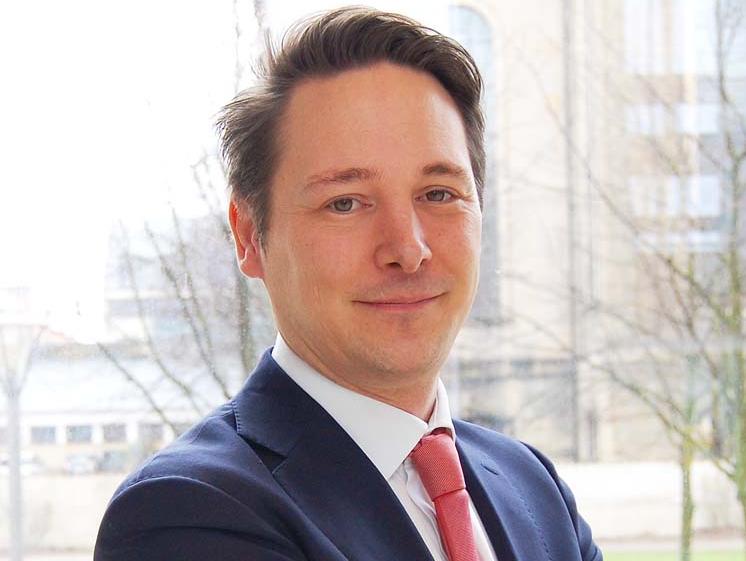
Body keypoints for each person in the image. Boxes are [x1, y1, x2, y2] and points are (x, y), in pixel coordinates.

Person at [94, 7, 602, 561]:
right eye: (345, 203)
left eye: (438, 194)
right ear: (249, 236)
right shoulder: (186, 513)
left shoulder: (532, 486)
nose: (408, 249)